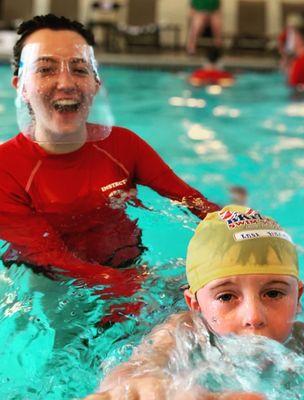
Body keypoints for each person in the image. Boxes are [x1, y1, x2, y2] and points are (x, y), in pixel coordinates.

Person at [0, 14, 219, 300]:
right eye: (46, 69)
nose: (65, 82)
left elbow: (192, 201)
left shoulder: (124, 145)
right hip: (52, 286)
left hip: (129, 267)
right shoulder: (6, 168)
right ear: (22, 87)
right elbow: (50, 258)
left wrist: (243, 225)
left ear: (95, 84)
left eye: (79, 70)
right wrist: (142, 289)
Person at [83, 205, 304, 400]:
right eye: (226, 297)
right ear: (196, 305)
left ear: (298, 297)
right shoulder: (180, 332)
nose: (253, 316)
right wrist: (147, 387)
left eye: (273, 294)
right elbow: (141, 367)